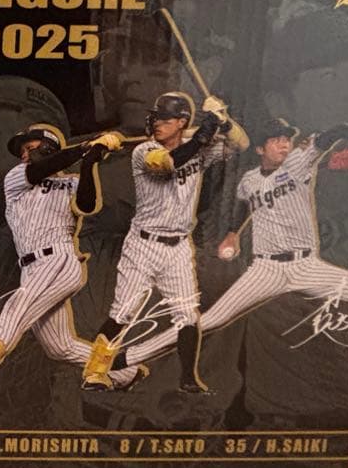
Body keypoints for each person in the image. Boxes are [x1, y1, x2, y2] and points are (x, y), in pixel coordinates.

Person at [109, 118, 348, 371]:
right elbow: (241, 202)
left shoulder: (297, 163)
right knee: (212, 319)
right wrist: (232, 233)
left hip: (306, 265)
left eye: (287, 139)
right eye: (276, 139)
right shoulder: (250, 180)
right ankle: (129, 357)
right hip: (267, 269)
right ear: (261, 149)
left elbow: (330, 135)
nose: (284, 144)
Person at [0, 122, 138, 393]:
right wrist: (85, 148)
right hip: (31, 267)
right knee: (59, 347)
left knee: (17, 308)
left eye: (30, 148)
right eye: (23, 151)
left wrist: (90, 160)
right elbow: (43, 168)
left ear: (49, 148)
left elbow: (87, 205)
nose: (24, 155)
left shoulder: (69, 182)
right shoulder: (17, 177)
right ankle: (124, 372)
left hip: (57, 259)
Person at [82, 91, 248, 393]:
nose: (157, 123)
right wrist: (206, 128)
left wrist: (223, 121)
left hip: (178, 247)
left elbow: (242, 144)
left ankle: (188, 379)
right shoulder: (144, 150)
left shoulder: (198, 147)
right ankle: (95, 372)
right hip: (143, 245)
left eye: (165, 119)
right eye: (156, 118)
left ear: (182, 122)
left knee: (187, 315)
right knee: (123, 312)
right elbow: (170, 163)